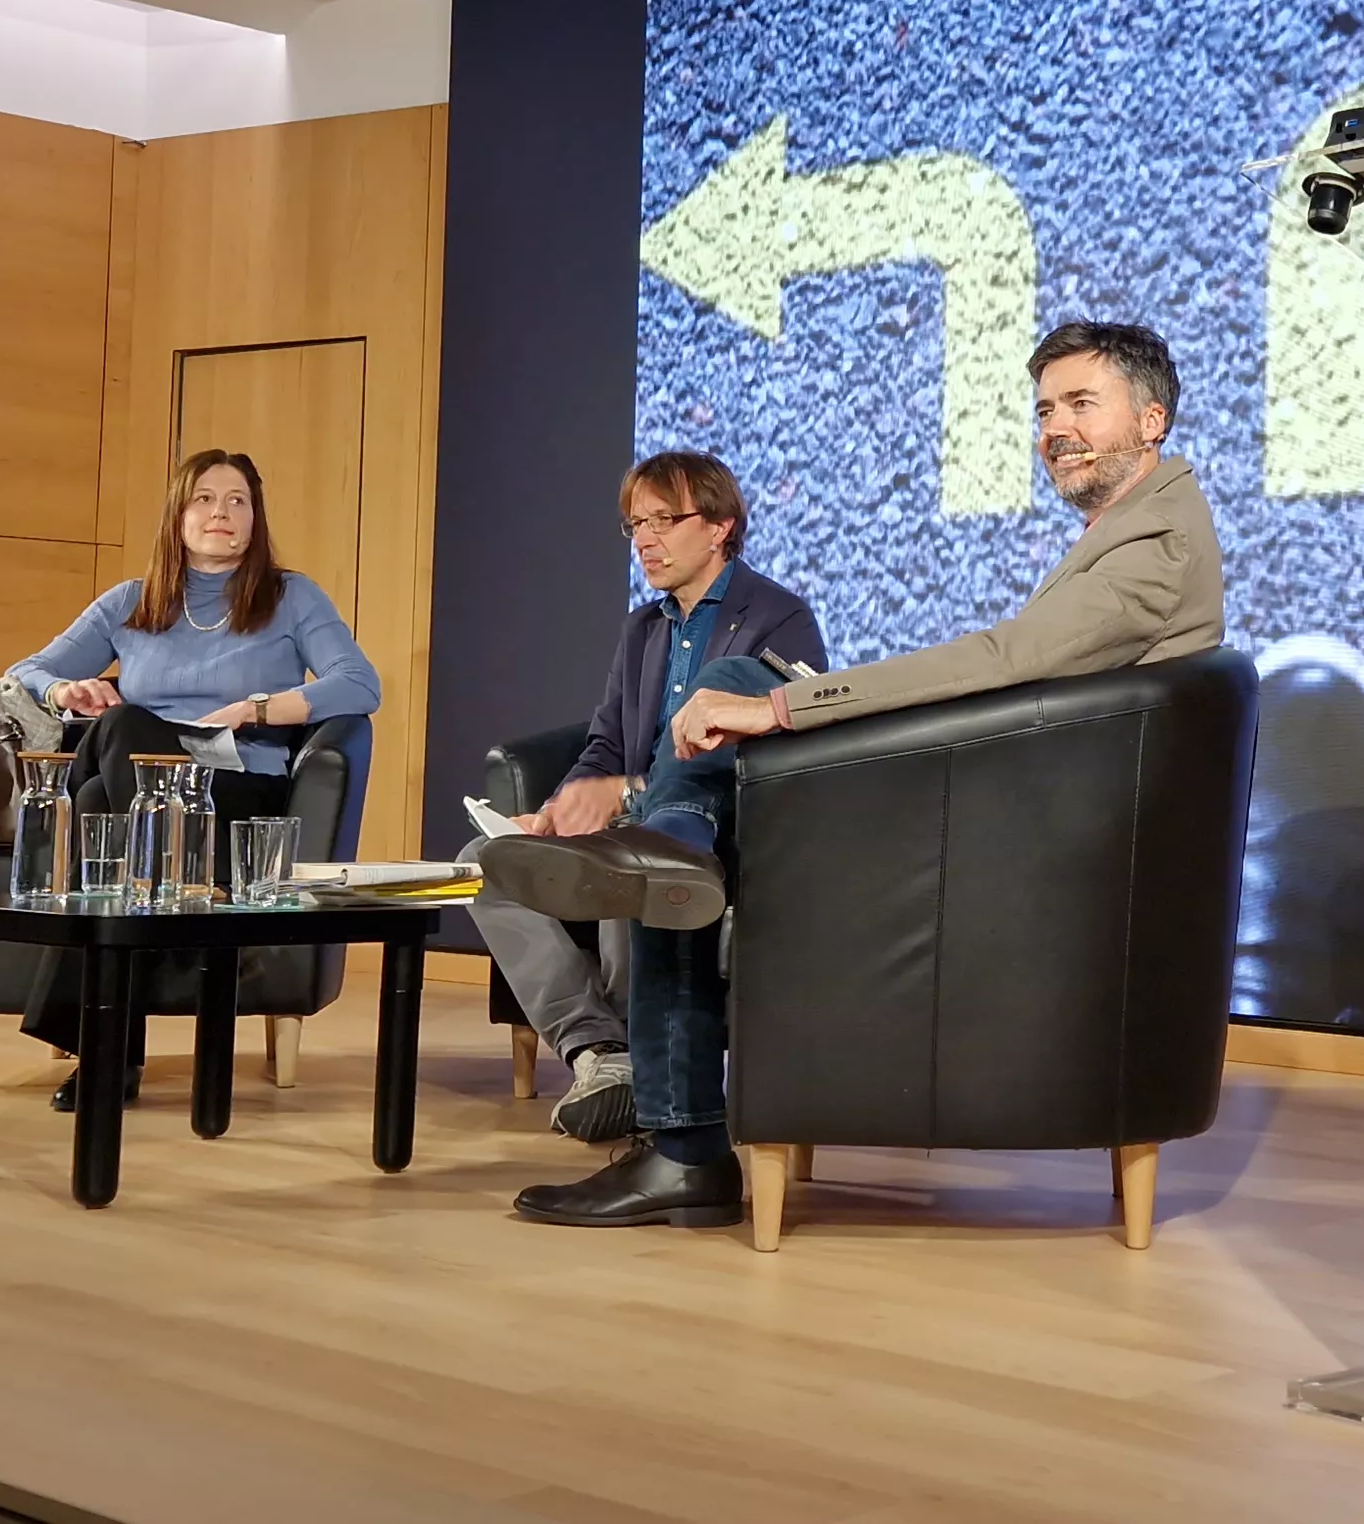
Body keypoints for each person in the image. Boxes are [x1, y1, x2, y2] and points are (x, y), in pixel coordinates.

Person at [479, 320, 1224, 1227]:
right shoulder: (1141, 530)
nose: (1055, 428)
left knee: (733, 712)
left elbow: (1002, 660)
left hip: (1015, 852)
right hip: (1020, 825)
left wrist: (789, 708)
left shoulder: (1157, 548)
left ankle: (683, 1145)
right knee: (693, 832)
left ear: (1151, 421)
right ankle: (672, 851)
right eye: (1043, 409)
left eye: (1080, 404)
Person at [469, 450, 826, 1144]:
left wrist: (623, 794)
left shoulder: (778, 616)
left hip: (720, 823)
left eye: (665, 520)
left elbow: (783, 745)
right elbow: (605, 743)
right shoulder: (643, 628)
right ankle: (600, 1054)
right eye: (635, 524)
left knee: (627, 854)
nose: (645, 540)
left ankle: (633, 1065)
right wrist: (563, 805)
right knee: (489, 857)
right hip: (632, 814)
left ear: (720, 526)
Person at [7, 448, 380, 1108]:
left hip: (236, 786)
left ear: (255, 518)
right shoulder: (132, 602)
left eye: (238, 500)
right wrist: (71, 689)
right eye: (205, 499)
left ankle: (108, 1053)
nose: (221, 513)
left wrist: (255, 709)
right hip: (150, 790)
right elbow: (28, 670)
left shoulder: (291, 598)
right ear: (178, 515)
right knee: (111, 765)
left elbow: (359, 684)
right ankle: (170, 915)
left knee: (103, 779)